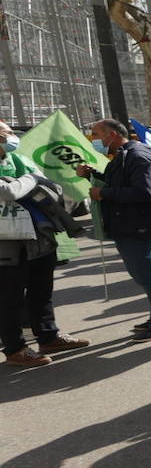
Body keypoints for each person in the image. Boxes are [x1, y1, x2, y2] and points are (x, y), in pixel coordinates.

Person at [77, 119, 151, 339]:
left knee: (145, 275)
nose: (93, 139)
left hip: (138, 226)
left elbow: (145, 192)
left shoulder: (137, 156)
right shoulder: (125, 155)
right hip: (131, 225)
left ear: (111, 134)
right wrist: (94, 174)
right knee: (143, 274)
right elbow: (122, 182)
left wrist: (103, 194)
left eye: (95, 134)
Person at [0, 123, 89, 366]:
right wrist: (30, 180)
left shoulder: (18, 158)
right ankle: (15, 349)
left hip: (38, 238)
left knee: (42, 291)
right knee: (9, 298)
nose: (12, 137)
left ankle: (48, 336)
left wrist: (27, 182)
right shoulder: (25, 168)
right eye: (6, 133)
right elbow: (6, 191)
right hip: (6, 245)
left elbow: (52, 186)